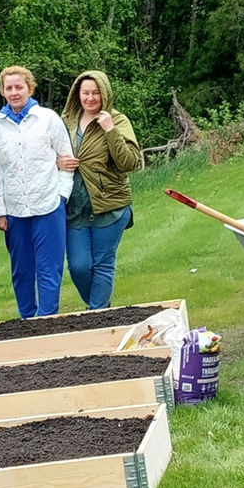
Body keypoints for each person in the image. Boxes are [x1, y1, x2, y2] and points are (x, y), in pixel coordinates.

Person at [0, 65, 72, 318]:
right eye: (8, 88)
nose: (14, 92)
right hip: (14, 210)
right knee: (22, 270)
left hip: (48, 205)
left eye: (19, 87)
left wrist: (61, 197)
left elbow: (67, 160)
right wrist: (0, 212)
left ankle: (46, 320)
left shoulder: (48, 118)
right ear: (2, 91)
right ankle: (27, 319)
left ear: (30, 88)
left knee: (49, 268)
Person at [59, 70, 143, 309]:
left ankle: (97, 316)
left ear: (104, 94)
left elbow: (129, 162)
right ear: (77, 94)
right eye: (85, 92)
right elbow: (46, 155)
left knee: (103, 263)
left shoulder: (118, 121)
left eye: (96, 93)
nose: (90, 98)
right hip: (74, 208)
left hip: (110, 207)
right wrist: (58, 162)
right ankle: (99, 308)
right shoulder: (66, 121)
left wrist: (110, 131)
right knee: (78, 266)